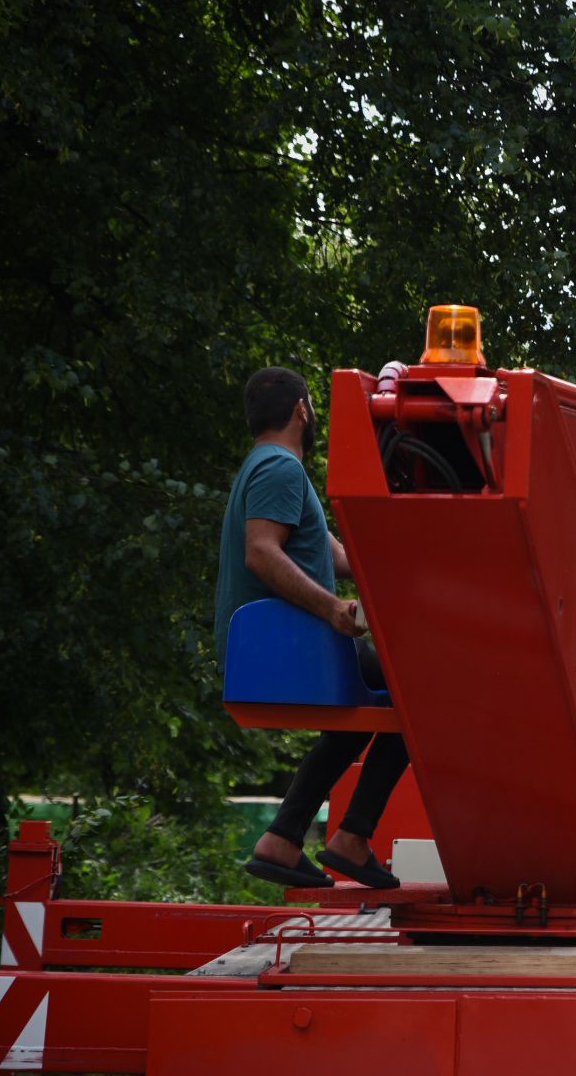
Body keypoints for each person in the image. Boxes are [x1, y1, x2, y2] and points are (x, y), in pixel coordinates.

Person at [215, 367, 409, 889]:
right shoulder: (279, 468)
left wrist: (402, 564)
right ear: (302, 409)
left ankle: (284, 839)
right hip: (285, 646)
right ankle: (351, 837)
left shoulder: (272, 469)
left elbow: (337, 556)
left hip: (278, 644)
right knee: (419, 696)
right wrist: (332, 609)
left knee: (363, 713)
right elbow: (261, 552)